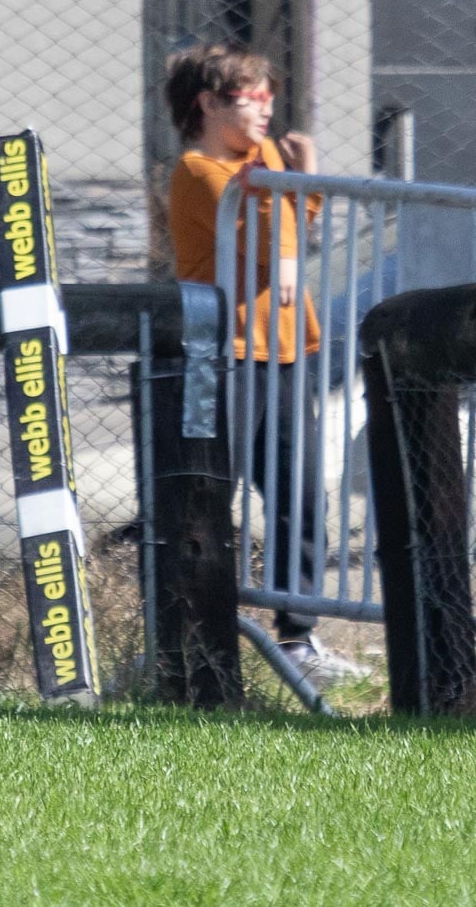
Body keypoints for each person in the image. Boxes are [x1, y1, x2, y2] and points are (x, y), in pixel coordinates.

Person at [164, 43, 370, 685]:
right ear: (209, 103)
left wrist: (291, 183)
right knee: (205, 497)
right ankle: (195, 642)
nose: (267, 111)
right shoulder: (201, 174)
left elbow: (286, 235)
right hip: (225, 355)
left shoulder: (260, 170)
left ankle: (297, 636)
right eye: (252, 98)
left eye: (269, 98)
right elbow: (262, 242)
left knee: (300, 495)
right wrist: (292, 180)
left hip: (282, 351)